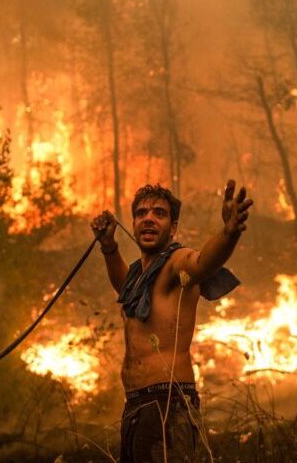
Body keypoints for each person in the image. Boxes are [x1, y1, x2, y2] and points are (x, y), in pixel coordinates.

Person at [91, 180, 253, 462]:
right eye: (141, 213)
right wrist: (109, 246)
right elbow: (124, 288)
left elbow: (202, 263)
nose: (149, 219)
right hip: (137, 406)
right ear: (134, 222)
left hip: (168, 404)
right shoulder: (138, 276)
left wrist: (229, 233)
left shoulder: (176, 264)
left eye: (159, 213)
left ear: (173, 227)